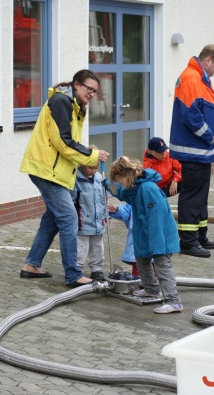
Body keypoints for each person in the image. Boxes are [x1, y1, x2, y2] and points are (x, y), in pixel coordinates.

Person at [19, 69, 109, 286]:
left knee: (52, 219)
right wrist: (92, 155)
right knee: (68, 218)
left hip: (58, 172)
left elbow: (70, 142)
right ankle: (73, 274)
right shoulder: (61, 101)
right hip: (46, 171)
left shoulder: (76, 106)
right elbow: (63, 141)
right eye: (89, 88)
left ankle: (31, 264)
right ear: (76, 84)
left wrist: (85, 157)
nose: (91, 93)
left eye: (95, 91)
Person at [104, 156, 183, 314]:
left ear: (126, 176)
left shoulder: (148, 189)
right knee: (142, 260)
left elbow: (157, 217)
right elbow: (123, 194)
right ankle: (152, 289)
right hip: (146, 234)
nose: (119, 184)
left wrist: (157, 243)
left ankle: (174, 301)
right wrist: (105, 183)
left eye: (119, 180)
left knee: (162, 267)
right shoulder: (135, 187)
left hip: (159, 235)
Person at [169, 44, 214, 258]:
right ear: (208, 60)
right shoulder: (192, 78)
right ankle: (188, 241)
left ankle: (200, 235)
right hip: (194, 150)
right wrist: (209, 136)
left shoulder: (198, 78)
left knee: (201, 196)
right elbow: (191, 115)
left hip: (200, 152)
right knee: (193, 196)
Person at [70, 147, 106, 281]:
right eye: (90, 167)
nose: (93, 171)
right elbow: (72, 201)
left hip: (98, 221)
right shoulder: (76, 180)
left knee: (97, 247)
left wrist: (105, 214)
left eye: (95, 168)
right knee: (81, 247)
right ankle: (76, 268)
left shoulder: (99, 178)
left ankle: (96, 268)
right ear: (82, 164)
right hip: (83, 222)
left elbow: (103, 198)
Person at [108, 202, 139, 277]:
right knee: (138, 266)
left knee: (157, 266)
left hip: (154, 239)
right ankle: (137, 282)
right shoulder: (133, 197)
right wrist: (117, 210)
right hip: (137, 239)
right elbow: (127, 212)